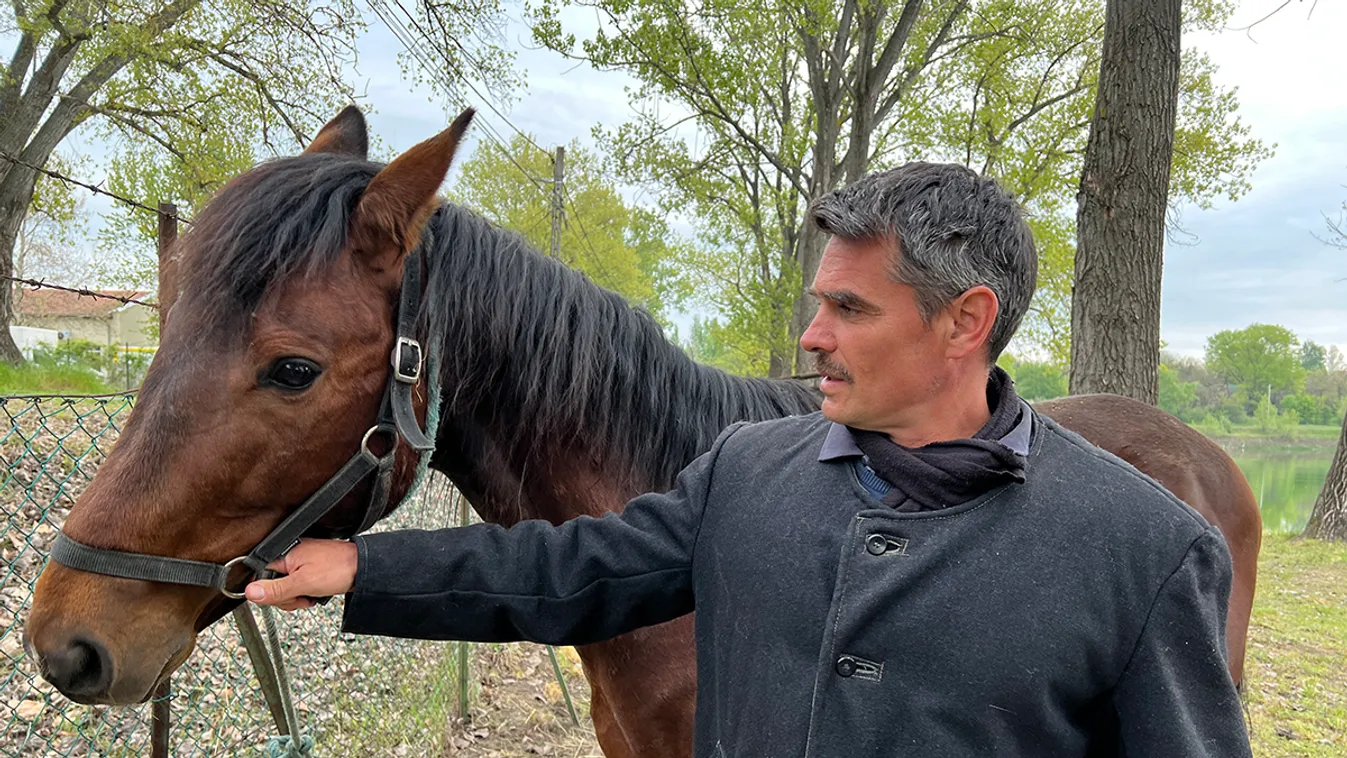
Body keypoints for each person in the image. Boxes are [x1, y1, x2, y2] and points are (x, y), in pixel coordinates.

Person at [245, 163, 1252, 756]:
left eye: (849, 307)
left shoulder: (1147, 548)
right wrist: (362, 568)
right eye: (820, 301)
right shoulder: (751, 469)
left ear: (964, 322)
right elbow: (573, 567)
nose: (812, 335)